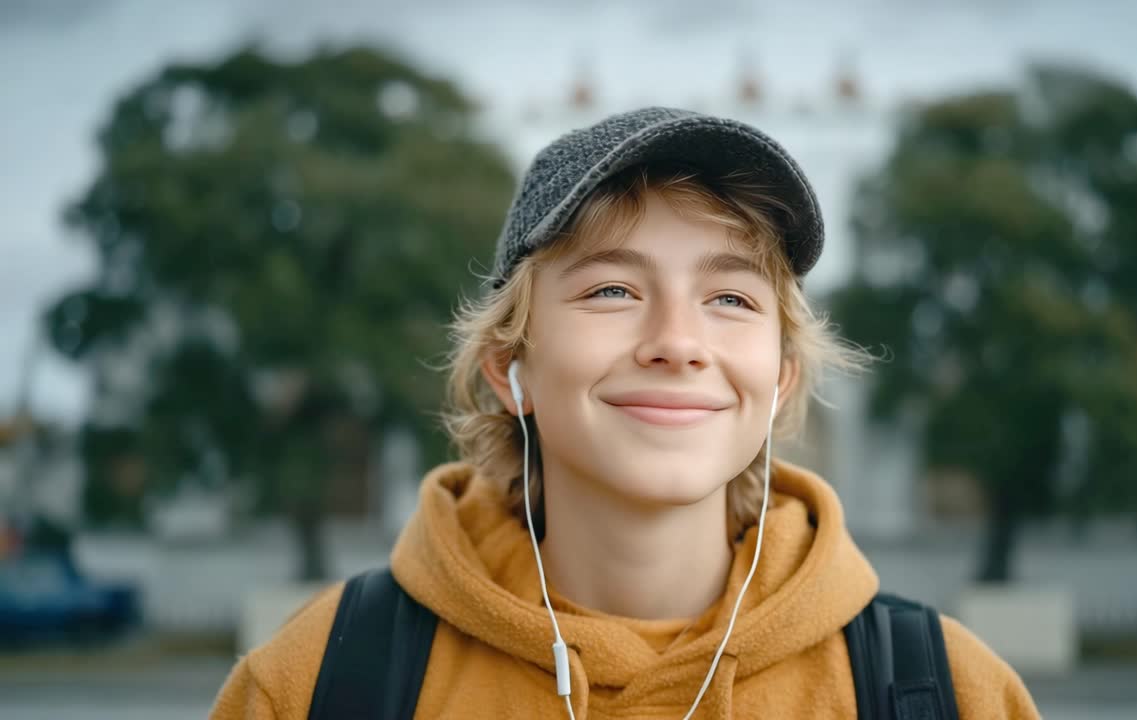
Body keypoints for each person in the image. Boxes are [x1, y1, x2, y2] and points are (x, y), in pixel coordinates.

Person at [211, 107, 1039, 718]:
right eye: (612, 289)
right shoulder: (314, 685)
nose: (677, 343)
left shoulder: (950, 695)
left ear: (781, 379)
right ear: (511, 370)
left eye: (729, 296)